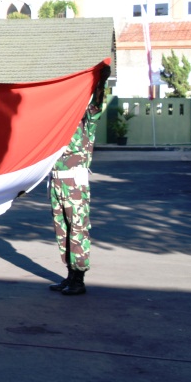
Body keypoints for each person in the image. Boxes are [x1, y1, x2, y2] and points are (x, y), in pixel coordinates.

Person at [49, 64, 110, 296]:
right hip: (55, 181)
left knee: (78, 229)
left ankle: (79, 278)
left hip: (75, 183)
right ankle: (69, 274)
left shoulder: (87, 119)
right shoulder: (57, 123)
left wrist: (101, 82)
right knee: (62, 230)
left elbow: (97, 104)